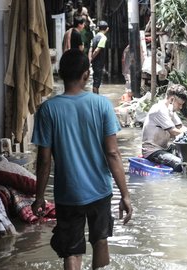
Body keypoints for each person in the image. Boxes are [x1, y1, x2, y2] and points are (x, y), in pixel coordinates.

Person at [31, 49, 133, 270]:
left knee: (72, 251)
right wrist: (124, 194)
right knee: (101, 241)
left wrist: (39, 197)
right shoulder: (102, 105)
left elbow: (44, 161)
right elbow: (113, 153)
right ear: (86, 75)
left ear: (61, 73)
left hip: (68, 193)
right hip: (100, 189)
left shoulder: (48, 110)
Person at [141, 84, 187, 172]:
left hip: (164, 148)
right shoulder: (159, 109)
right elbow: (173, 131)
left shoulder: (170, 111)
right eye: (180, 104)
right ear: (172, 99)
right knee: (179, 164)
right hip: (152, 151)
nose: (181, 107)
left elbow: (181, 127)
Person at [89, 20, 109, 94]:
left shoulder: (95, 37)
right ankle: (96, 98)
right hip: (98, 62)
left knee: (95, 80)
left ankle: (96, 97)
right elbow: (97, 50)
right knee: (97, 82)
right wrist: (92, 58)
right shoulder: (103, 38)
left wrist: (90, 59)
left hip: (95, 63)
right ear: (107, 29)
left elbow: (91, 49)